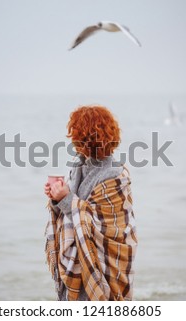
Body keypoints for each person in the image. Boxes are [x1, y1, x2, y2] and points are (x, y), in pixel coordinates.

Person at [44, 105, 137, 301]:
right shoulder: (79, 164)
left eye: (77, 137)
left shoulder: (114, 173)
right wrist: (55, 198)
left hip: (104, 261)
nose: (74, 141)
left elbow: (100, 222)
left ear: (88, 139)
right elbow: (72, 208)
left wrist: (65, 198)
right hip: (79, 255)